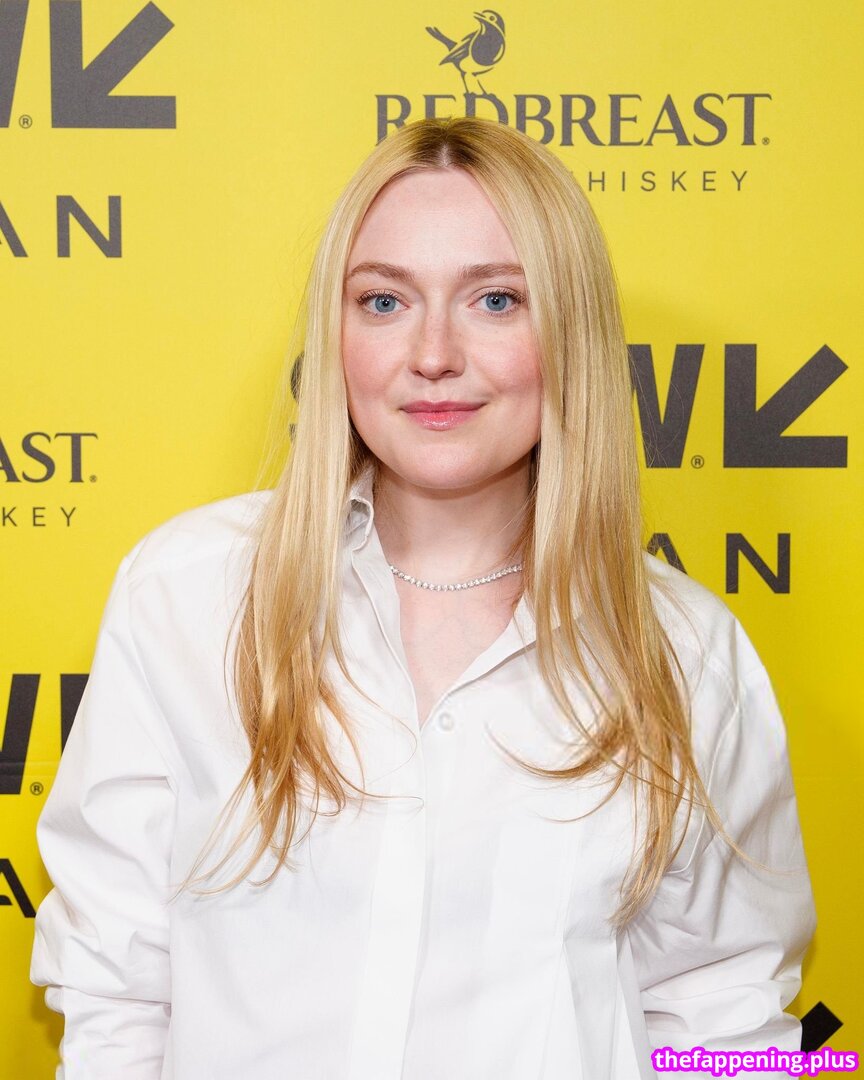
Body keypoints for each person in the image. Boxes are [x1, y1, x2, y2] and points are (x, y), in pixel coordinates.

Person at [30, 116, 816, 1079]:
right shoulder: (186, 597)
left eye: (496, 299)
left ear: (569, 332)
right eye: (384, 301)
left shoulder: (685, 652)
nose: (434, 353)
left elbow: (723, 1013)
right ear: (337, 335)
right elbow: (115, 992)